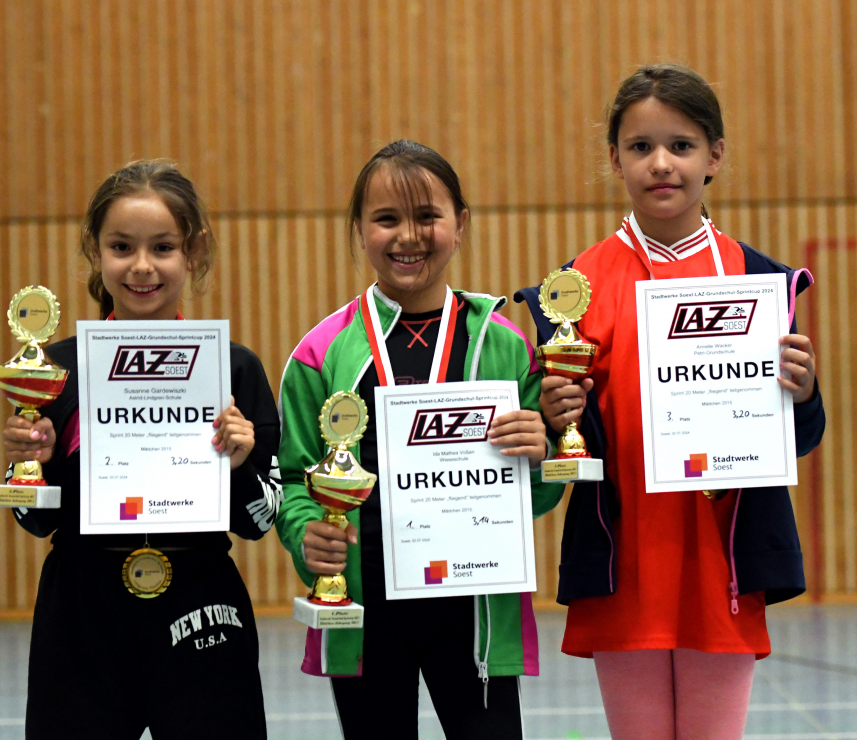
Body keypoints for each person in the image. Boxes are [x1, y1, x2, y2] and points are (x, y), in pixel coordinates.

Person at [515, 64, 825, 740]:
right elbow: (563, 449)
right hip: (626, 562)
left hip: (723, 562)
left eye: (681, 145)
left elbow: (801, 436)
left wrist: (801, 392)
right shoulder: (573, 289)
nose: (661, 164)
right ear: (615, 160)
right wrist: (554, 414)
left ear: (715, 156)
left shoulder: (760, 280)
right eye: (640, 146)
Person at [276, 140, 563, 740]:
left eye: (427, 216)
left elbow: (535, 497)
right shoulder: (320, 353)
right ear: (359, 230)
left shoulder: (505, 345)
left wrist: (541, 453)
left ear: (460, 224)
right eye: (386, 219)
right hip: (365, 605)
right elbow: (296, 476)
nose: (409, 235)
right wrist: (307, 533)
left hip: (475, 604)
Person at [2, 160, 281, 740]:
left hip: (202, 603)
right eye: (122, 247)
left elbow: (260, 520)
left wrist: (237, 465)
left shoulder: (235, 368)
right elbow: (32, 519)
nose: (142, 266)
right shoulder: (54, 371)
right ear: (96, 251)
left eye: (163, 247)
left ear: (194, 252)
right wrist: (39, 460)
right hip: (81, 611)